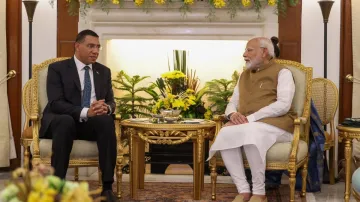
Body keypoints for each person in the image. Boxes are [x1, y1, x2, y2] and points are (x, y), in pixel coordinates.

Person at [208, 36, 297, 202]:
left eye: (249, 50)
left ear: (264, 52)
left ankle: (259, 193)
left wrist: (251, 118)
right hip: (249, 125)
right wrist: (233, 115)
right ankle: (243, 190)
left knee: (251, 132)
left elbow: (283, 105)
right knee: (226, 132)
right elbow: (232, 102)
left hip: (279, 126)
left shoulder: (283, 72)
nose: (244, 54)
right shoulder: (244, 75)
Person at [40, 29, 118, 201]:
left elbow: (112, 101)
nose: (95, 51)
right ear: (77, 46)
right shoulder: (57, 69)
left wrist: (106, 108)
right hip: (62, 122)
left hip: (89, 124)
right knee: (65, 121)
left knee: (105, 121)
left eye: (98, 47)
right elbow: (55, 102)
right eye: (90, 46)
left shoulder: (103, 71)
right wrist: (86, 111)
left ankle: (107, 187)